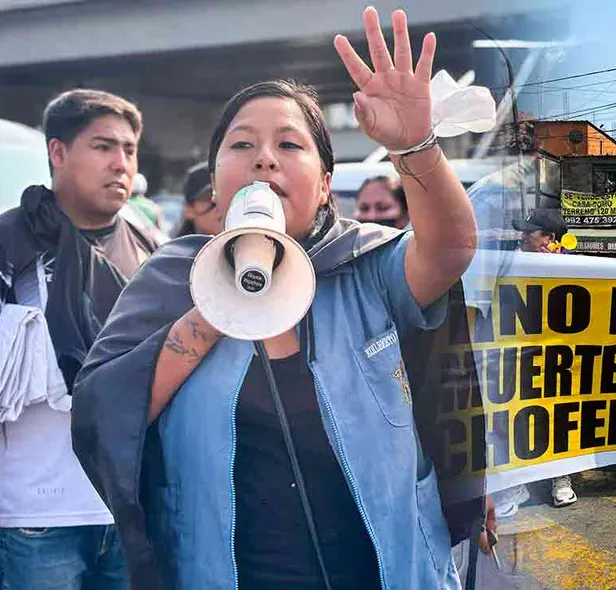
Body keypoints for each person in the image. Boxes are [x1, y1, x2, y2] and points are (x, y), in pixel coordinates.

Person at [71, 9, 477, 589]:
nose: (265, 158)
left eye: (290, 144)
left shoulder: (366, 265)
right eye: (242, 144)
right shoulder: (172, 276)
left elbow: (450, 249)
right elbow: (106, 409)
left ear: (325, 185)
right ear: (216, 186)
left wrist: (415, 145)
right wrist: (222, 303)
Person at [0, 89, 155, 590]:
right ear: (58, 152)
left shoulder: (150, 247)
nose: (121, 164)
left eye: (129, 150)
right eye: (103, 147)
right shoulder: (10, 243)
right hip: (36, 516)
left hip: (127, 509)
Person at [512, 208, 579, 507]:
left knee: (557, 415)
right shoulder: (510, 261)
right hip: (518, 353)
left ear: (549, 239)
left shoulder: (575, 268)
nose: (523, 236)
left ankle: (560, 477)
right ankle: (515, 481)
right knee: (517, 413)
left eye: (530, 232)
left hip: (558, 356)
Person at [172, 161, 224, 237]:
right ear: (189, 209)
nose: (219, 204)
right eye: (208, 197)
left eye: (224, 196)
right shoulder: (178, 245)